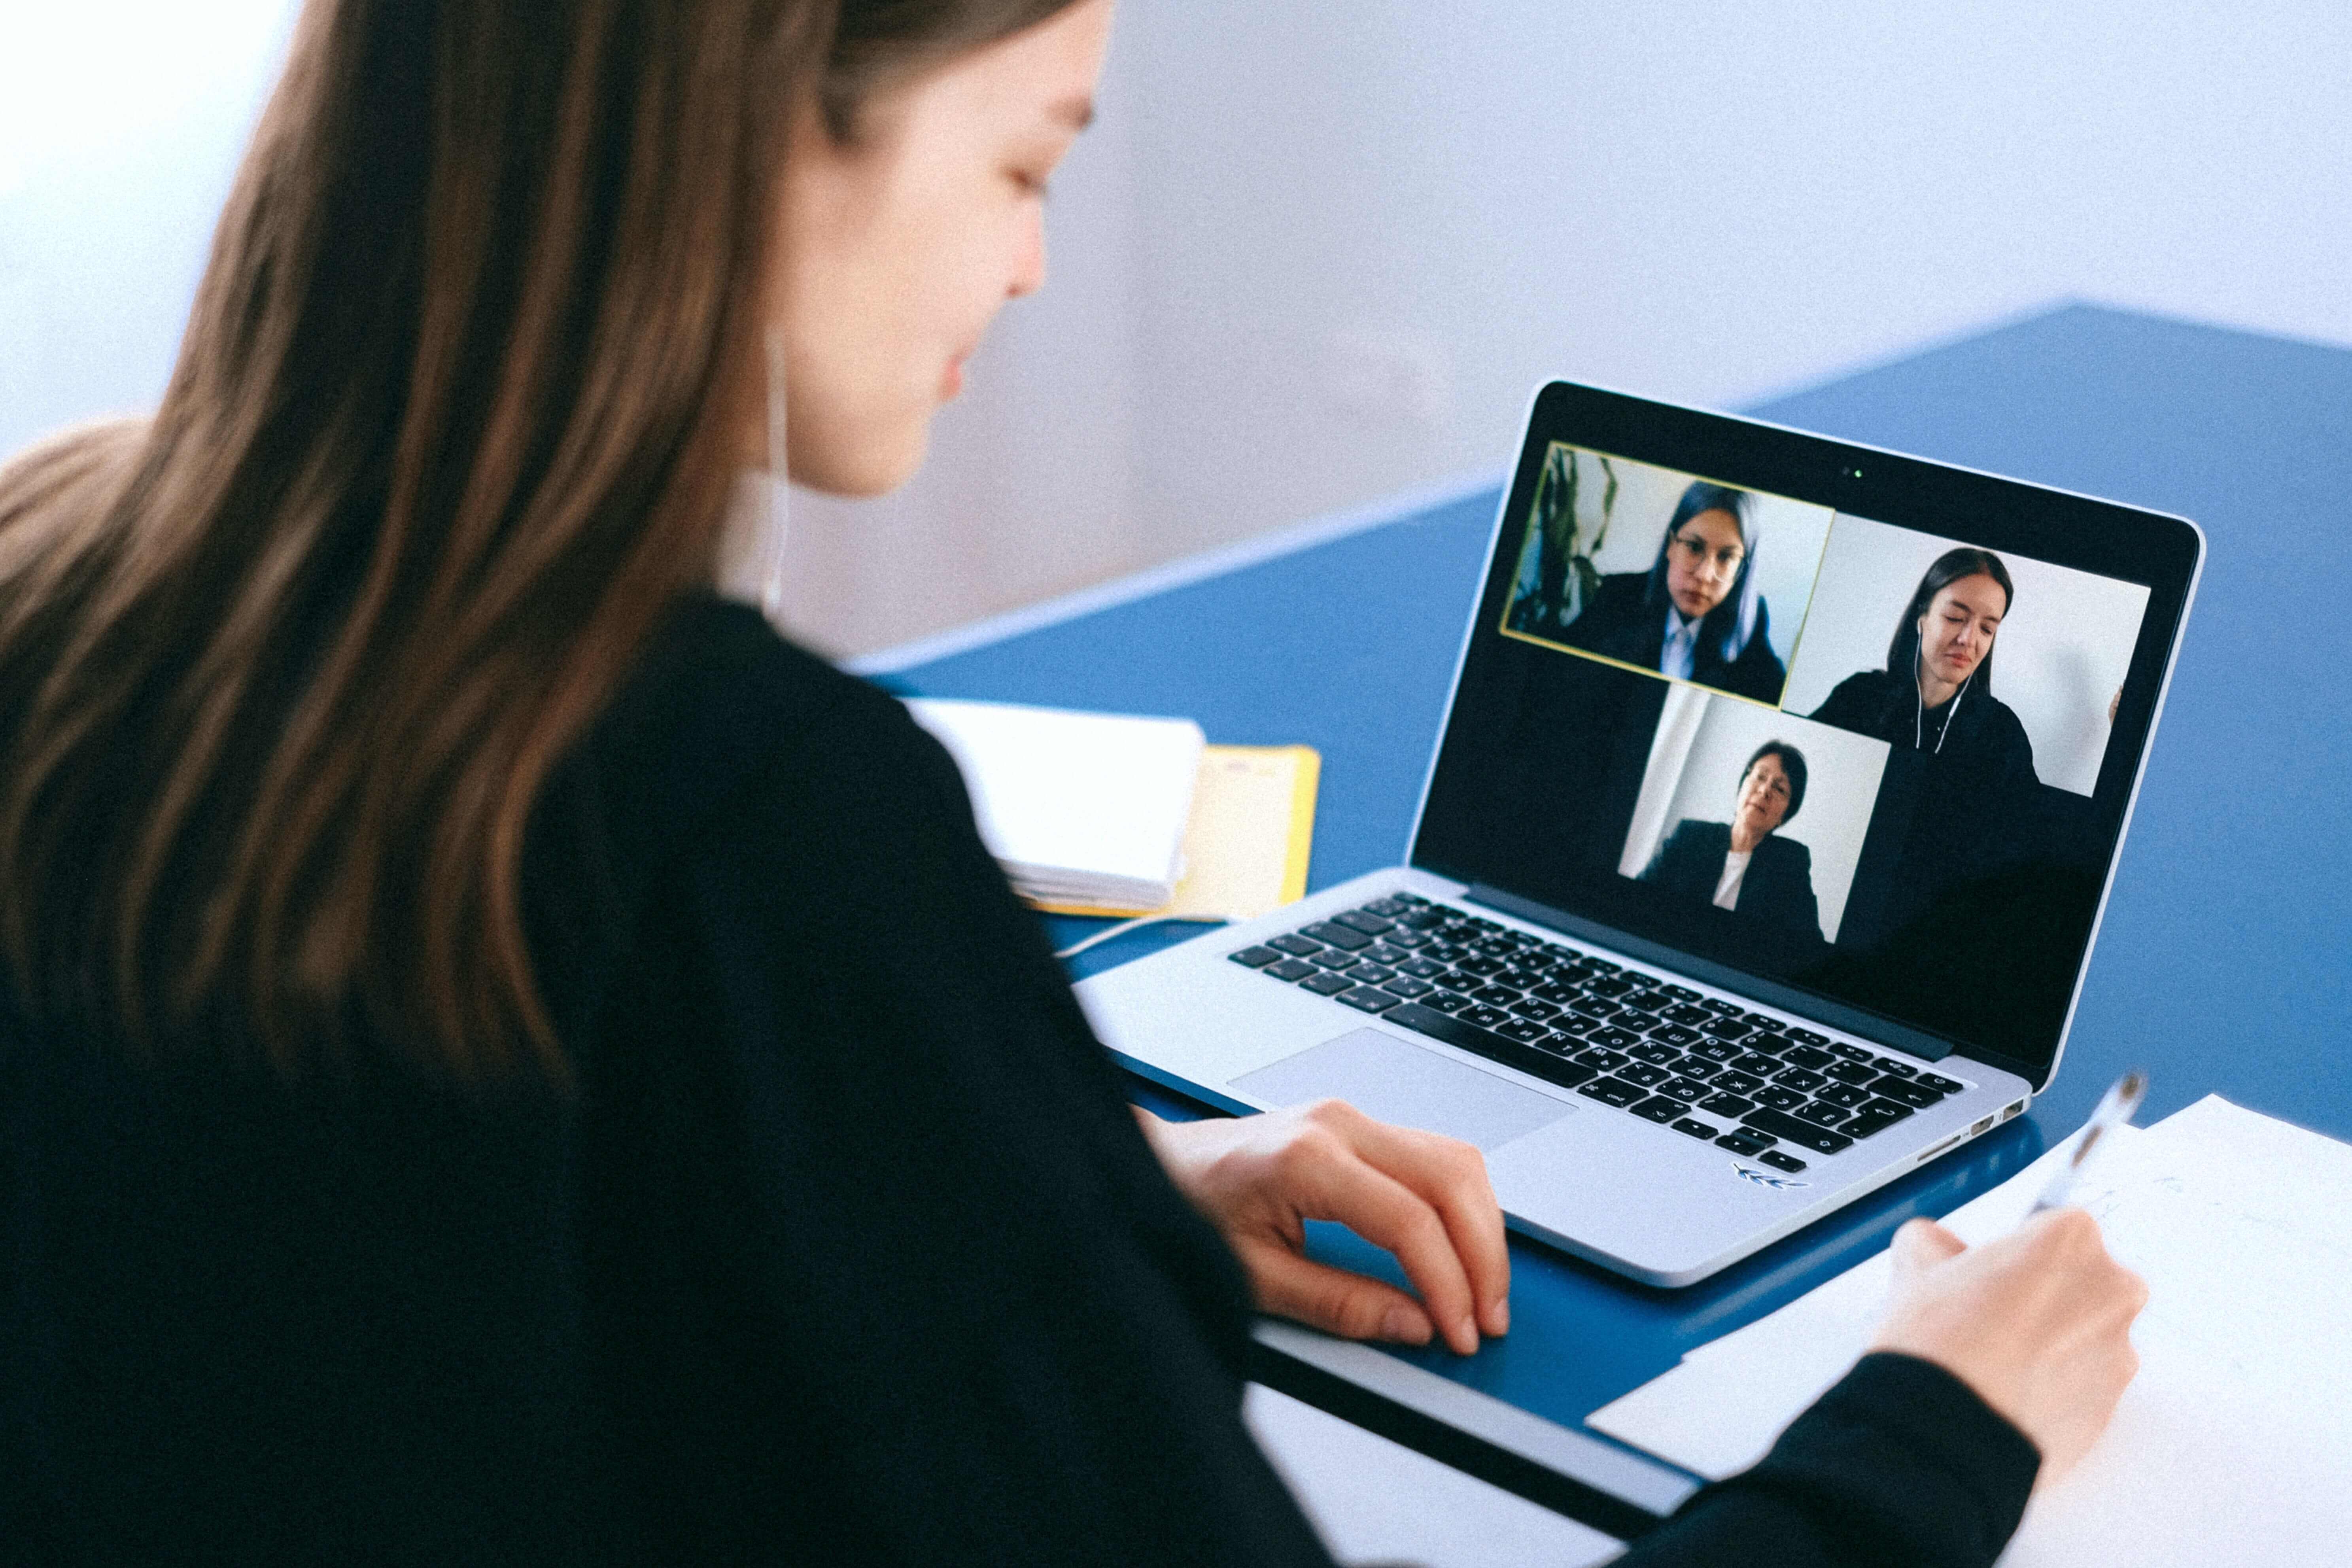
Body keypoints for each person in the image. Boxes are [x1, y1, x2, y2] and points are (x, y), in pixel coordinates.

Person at [0, 2, 2144, 1563]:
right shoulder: (756, 814)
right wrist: (1932, 1421)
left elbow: (434, 1232)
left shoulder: (60, 575)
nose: (1030, 263)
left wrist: (1063, 1194)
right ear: (756, 119)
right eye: (1023, 159)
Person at [1809, 548, 2038, 781]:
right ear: (1922, 617)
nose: (1968, 640)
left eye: (1987, 629)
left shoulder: (2002, 733)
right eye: (1954, 618)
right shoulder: (1859, 697)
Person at [1560, 481, 1789, 702]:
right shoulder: (1619, 596)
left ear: (1741, 571)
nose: (1705, 575)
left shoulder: (1750, 622)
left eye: (1726, 557)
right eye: (1694, 547)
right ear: (1671, 545)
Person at [1641, 741, 1822, 937]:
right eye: (1760, 777)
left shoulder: (1790, 863)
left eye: (1780, 789)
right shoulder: (1690, 836)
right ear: (1742, 786)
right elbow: (1639, 897)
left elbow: (1808, 942)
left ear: (1784, 816)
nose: (1765, 790)